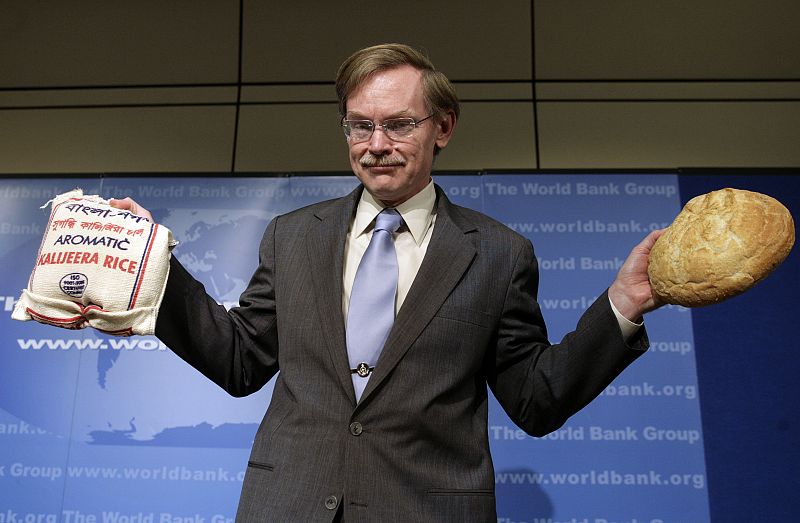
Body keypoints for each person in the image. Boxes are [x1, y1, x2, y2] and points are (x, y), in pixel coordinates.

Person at [111, 43, 663, 522]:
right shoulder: (293, 237)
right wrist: (152, 269)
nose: (376, 143)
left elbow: (536, 400)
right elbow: (239, 360)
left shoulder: (498, 253)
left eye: (399, 124)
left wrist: (622, 304)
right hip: (288, 506)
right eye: (359, 125)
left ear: (443, 127)